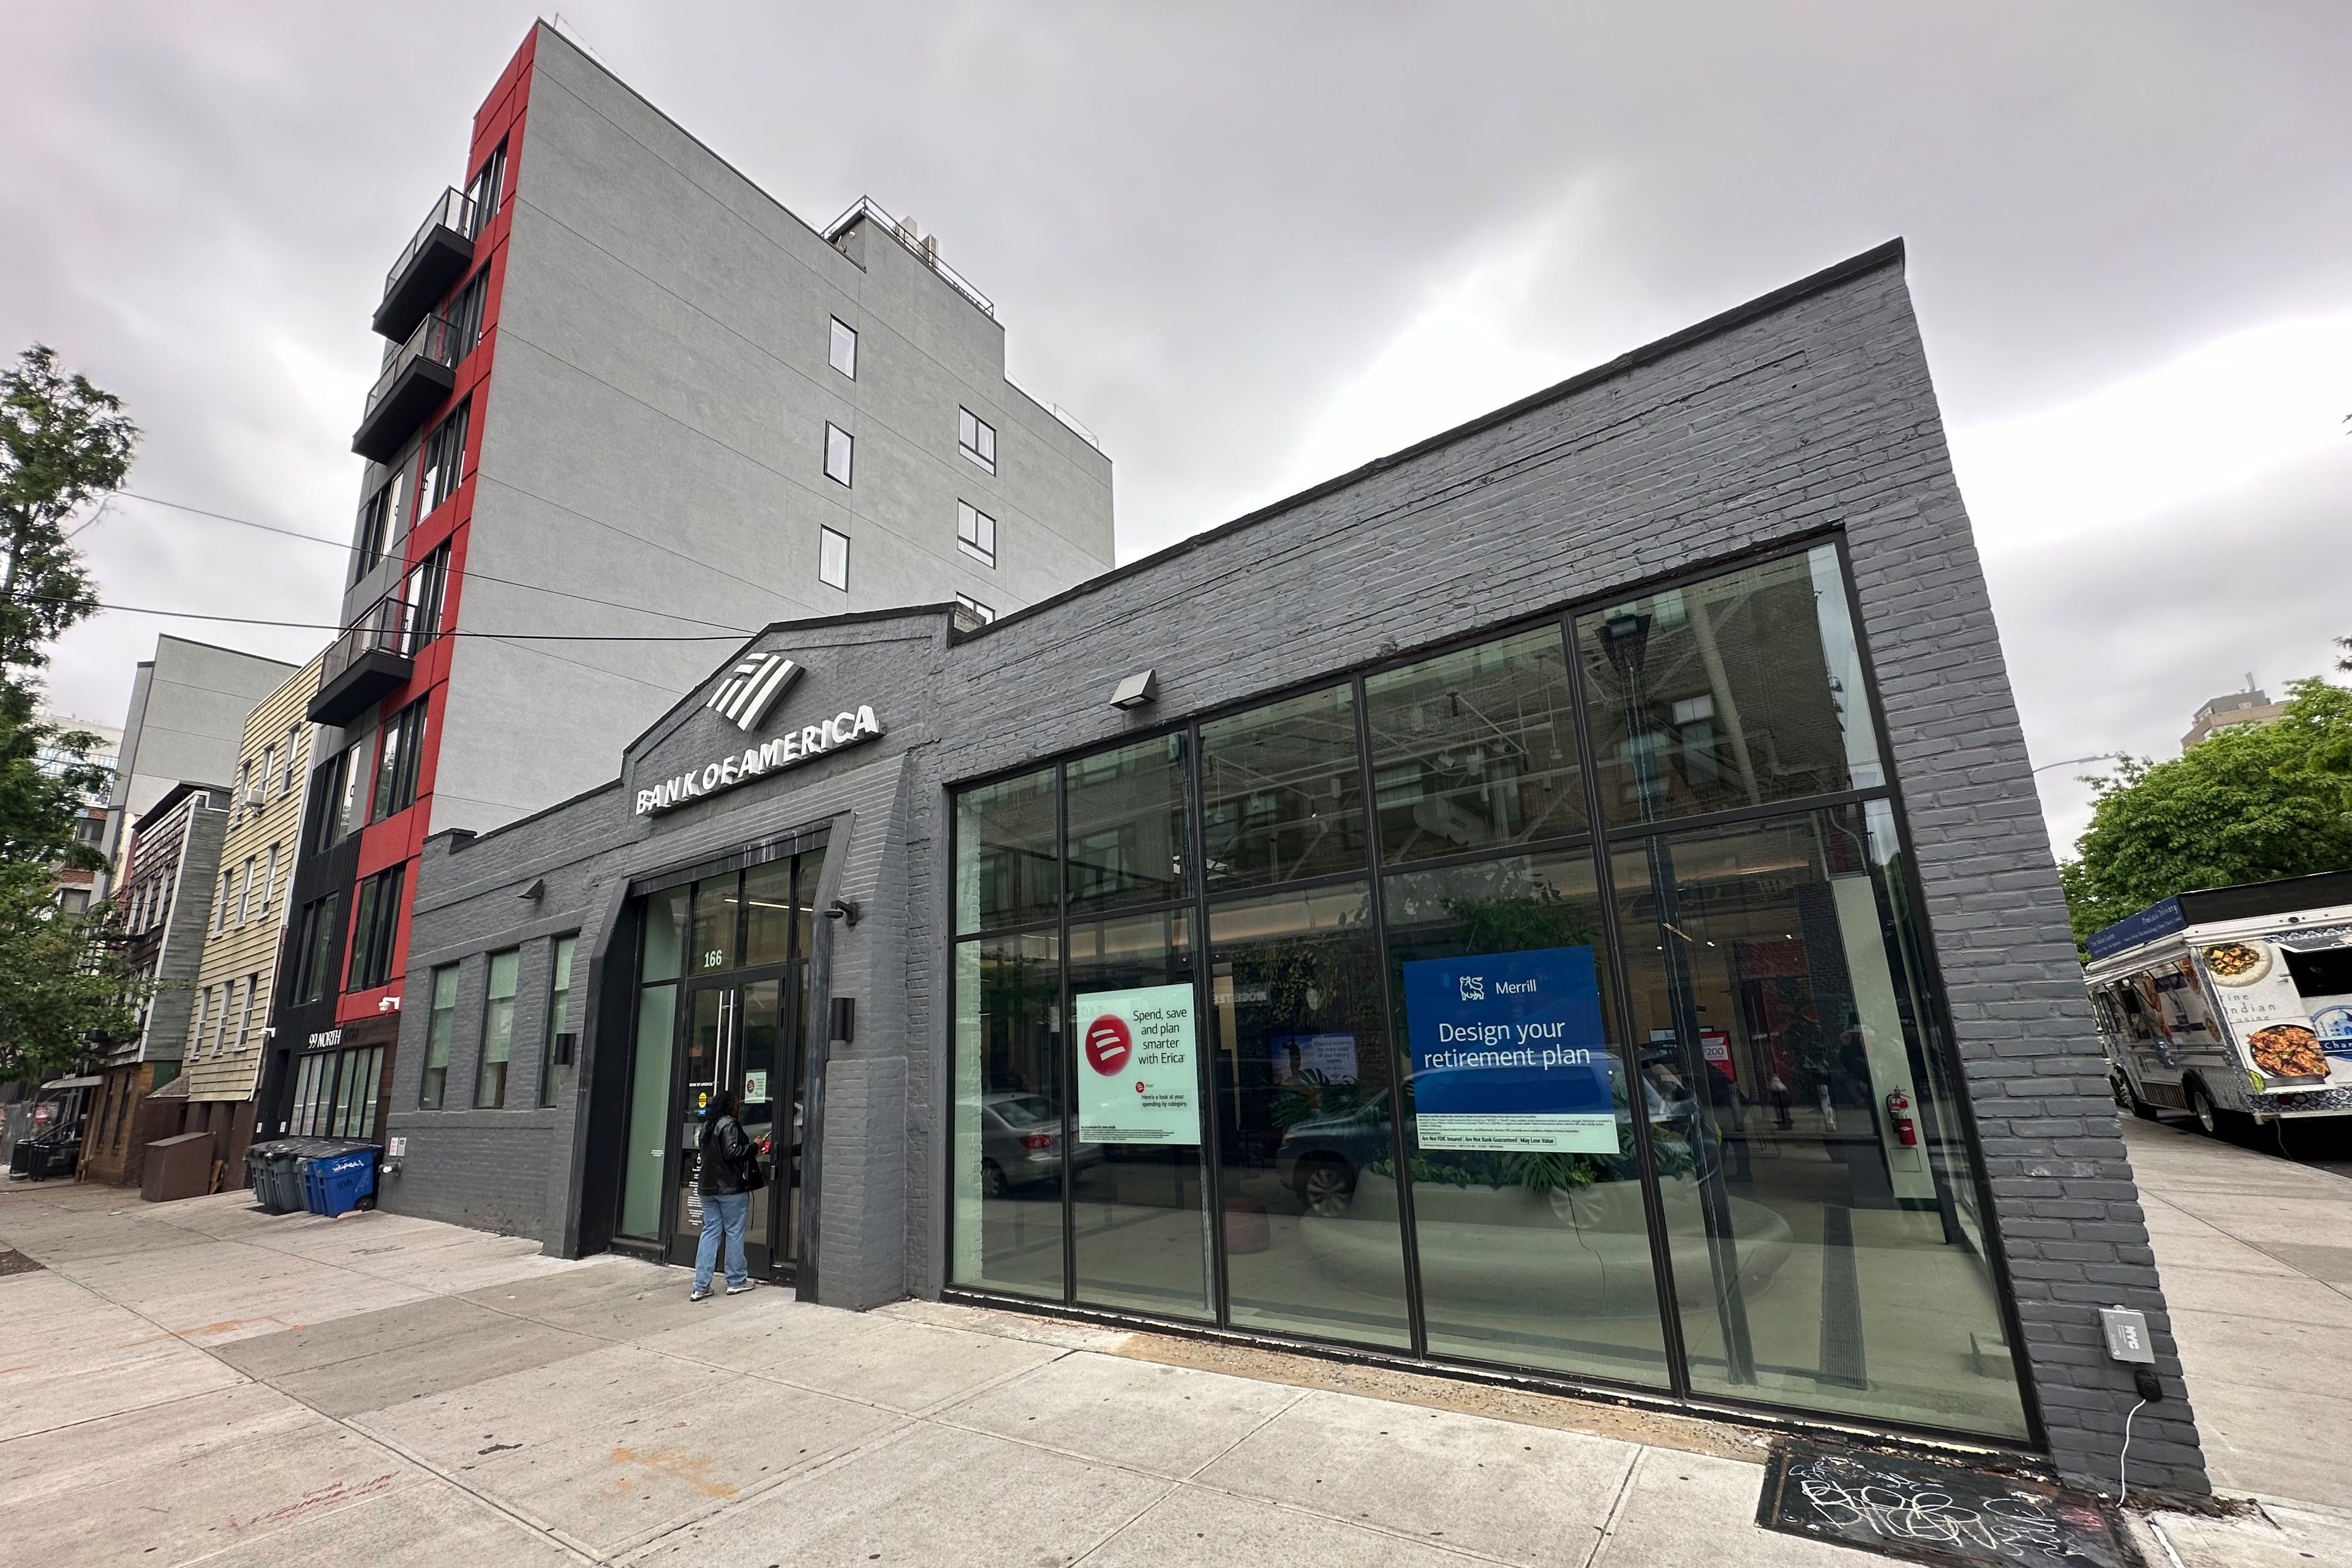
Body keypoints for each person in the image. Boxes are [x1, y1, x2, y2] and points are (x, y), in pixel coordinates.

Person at [691, 1088, 763, 1301]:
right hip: (729, 1188)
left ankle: (701, 1286)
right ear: (730, 1106)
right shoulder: (729, 1124)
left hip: (707, 1188)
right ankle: (736, 1281)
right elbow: (732, 1153)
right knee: (734, 1232)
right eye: (737, 1104)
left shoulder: (707, 1126)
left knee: (710, 1232)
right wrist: (753, 1147)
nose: (739, 1107)